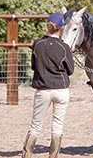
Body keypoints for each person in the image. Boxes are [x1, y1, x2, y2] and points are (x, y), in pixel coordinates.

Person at [22, 12, 74, 158]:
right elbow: (70, 70)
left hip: (43, 90)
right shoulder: (64, 47)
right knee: (57, 126)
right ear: (62, 27)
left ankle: (27, 155)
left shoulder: (37, 44)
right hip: (61, 90)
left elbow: (34, 66)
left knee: (35, 126)